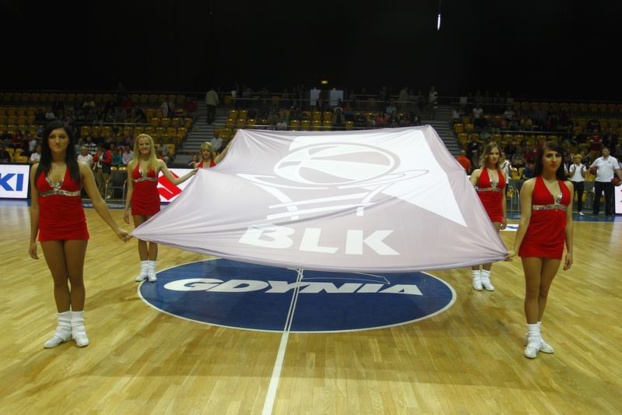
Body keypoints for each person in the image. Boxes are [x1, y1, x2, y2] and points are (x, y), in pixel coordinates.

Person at [28, 120, 132, 349]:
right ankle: (63, 328)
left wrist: (116, 228)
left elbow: (98, 200)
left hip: (75, 229)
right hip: (49, 230)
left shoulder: (81, 167)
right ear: (47, 140)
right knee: (58, 279)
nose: (57, 141)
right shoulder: (36, 169)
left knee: (75, 278)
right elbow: (35, 206)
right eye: (53, 136)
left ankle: (78, 327)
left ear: (69, 141)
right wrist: (32, 239)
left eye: (62, 137)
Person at [508, 141, 573, 359]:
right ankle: (533, 335)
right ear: (541, 160)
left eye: (557, 155)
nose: (554, 159)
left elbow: (569, 221)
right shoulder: (530, 185)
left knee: (545, 290)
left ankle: (535, 334)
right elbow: (525, 219)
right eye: (549, 155)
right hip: (533, 243)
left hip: (555, 245)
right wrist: (515, 248)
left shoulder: (569, 187)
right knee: (533, 290)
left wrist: (570, 250)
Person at [123, 133, 198, 282]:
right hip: (137, 202)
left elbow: (174, 182)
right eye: (141, 144)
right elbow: (130, 188)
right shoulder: (131, 164)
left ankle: (152, 269)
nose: (144, 147)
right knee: (141, 236)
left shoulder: (159, 162)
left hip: (152, 201)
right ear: (137, 147)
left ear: (151, 146)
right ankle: (143, 269)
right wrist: (126, 208)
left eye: (146, 144)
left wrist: (191, 173)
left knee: (152, 237)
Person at [469, 141, 507, 291]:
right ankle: (476, 276)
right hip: (480, 211)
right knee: (478, 244)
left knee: (492, 244)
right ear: (486, 155)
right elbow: (468, 192)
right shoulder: (477, 172)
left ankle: (486, 276)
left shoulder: (503, 173)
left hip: (496, 211)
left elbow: (503, 196)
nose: (494, 156)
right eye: (491, 153)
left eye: (496, 153)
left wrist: (504, 215)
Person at [589, 146, 622, 216]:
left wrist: (621, 179)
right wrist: (593, 171)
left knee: (608, 198)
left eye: (605, 151)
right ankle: (595, 212)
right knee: (597, 198)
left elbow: (617, 170)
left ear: (609, 152)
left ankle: (608, 213)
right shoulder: (598, 159)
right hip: (598, 181)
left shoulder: (613, 160)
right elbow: (591, 167)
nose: (603, 152)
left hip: (609, 182)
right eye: (603, 151)